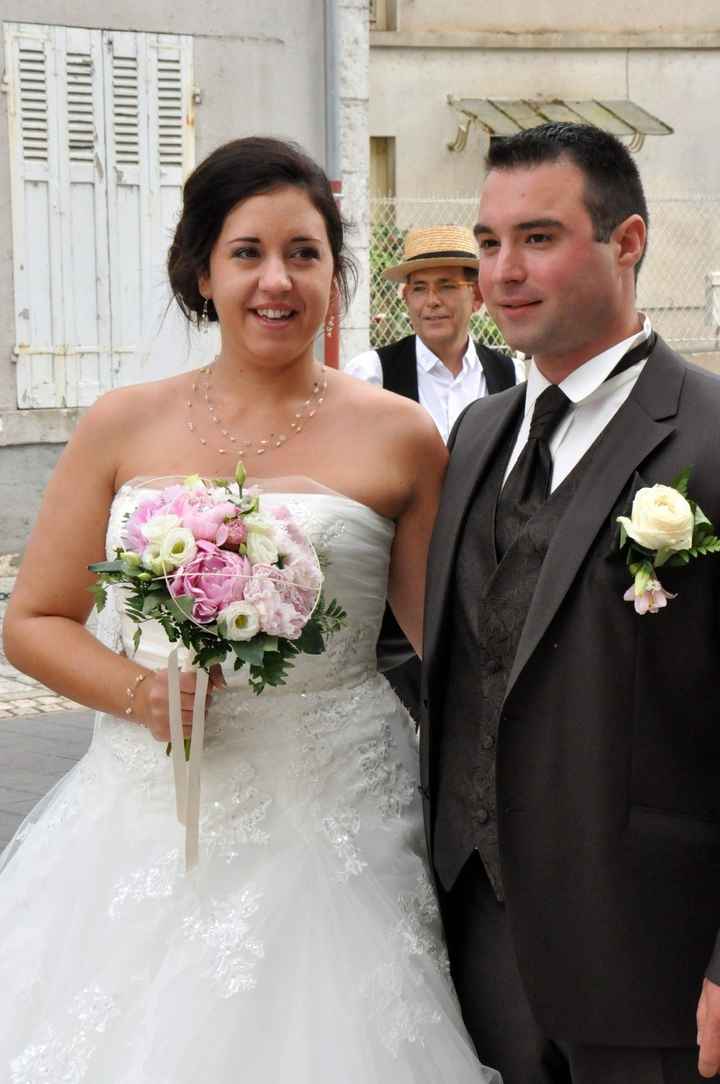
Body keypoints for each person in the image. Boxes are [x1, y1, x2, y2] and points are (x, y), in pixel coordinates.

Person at [1, 138, 500, 1083]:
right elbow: (34, 619)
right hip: (146, 809)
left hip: (337, 811)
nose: (278, 281)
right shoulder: (121, 422)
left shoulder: (399, 434)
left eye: (304, 253)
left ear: (334, 273)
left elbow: (456, 645)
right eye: (247, 253)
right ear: (201, 270)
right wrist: (141, 692)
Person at [421, 121, 720, 1084]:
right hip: (476, 936)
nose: (501, 272)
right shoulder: (475, 432)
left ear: (627, 242)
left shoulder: (711, 436)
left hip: (651, 954)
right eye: (488, 242)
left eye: (538, 238)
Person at [347, 226, 523, 719]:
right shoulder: (373, 373)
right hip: (394, 592)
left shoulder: (508, 373)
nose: (432, 302)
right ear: (404, 298)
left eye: (447, 285)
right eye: (419, 288)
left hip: (479, 571)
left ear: (478, 296)